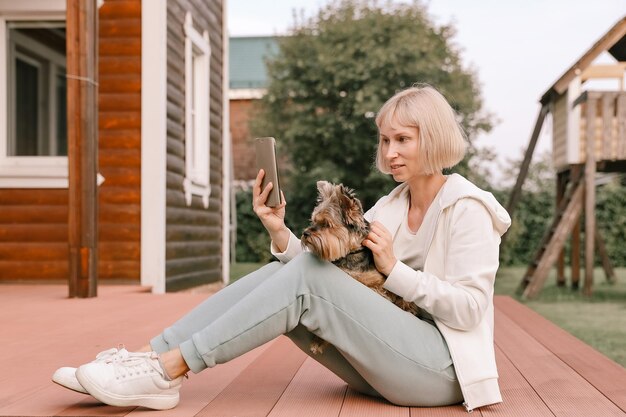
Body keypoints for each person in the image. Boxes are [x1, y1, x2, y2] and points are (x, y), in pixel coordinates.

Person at [52, 84, 511, 412]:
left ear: (431, 138)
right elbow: (322, 276)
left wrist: (394, 269)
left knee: (305, 280)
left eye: (402, 140)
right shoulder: (392, 204)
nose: (389, 151)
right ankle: (150, 359)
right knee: (282, 272)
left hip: (443, 373)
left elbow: (471, 310)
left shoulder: (468, 208)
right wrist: (279, 232)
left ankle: (169, 370)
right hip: (388, 362)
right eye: (385, 139)